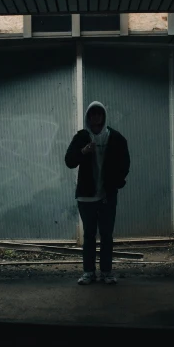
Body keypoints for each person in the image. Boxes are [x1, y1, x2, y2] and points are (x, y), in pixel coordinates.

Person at [64, 101, 130, 285]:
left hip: (107, 195)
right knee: (90, 235)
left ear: (103, 116)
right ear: (88, 116)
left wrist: (117, 183)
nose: (96, 117)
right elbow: (69, 161)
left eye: (99, 113)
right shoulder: (82, 137)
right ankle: (88, 272)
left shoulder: (115, 137)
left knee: (107, 235)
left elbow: (125, 163)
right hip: (86, 196)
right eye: (92, 114)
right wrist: (83, 151)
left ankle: (107, 272)